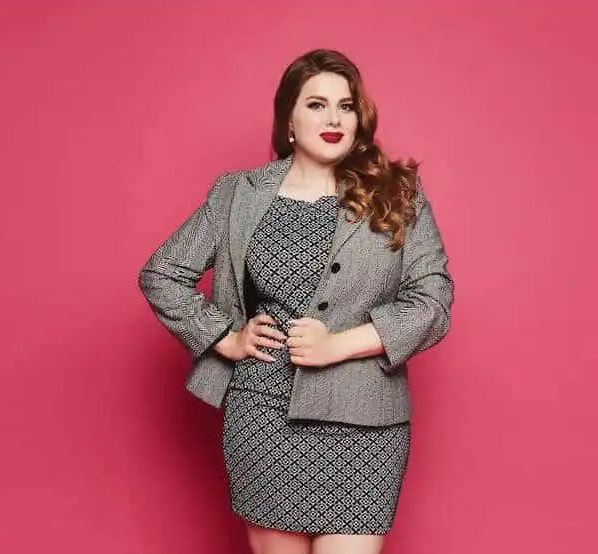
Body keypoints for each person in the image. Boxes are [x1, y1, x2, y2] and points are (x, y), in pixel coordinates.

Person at [138, 48, 454, 554]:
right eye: (316, 105)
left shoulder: (398, 193)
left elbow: (433, 302)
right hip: (263, 413)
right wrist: (224, 336)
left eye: (346, 106)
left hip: (364, 420)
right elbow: (163, 273)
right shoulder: (238, 193)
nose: (333, 119)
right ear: (288, 119)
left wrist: (341, 344)